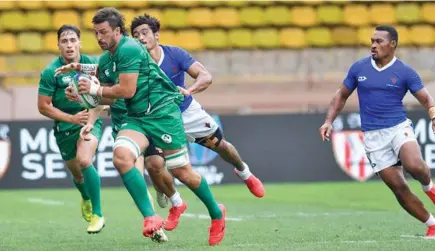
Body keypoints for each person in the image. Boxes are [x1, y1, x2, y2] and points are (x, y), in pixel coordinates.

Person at [57, 8, 226, 245]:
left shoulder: (129, 48)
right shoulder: (106, 59)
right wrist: (81, 96)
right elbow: (110, 97)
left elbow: (126, 90)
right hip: (137, 117)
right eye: (96, 33)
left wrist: (94, 90)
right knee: (122, 157)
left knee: (182, 172)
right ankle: (150, 217)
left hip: (163, 114)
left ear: (117, 31)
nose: (99, 38)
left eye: (103, 32)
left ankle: (217, 213)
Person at [128, 14, 265, 228]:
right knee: (154, 164)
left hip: (186, 113)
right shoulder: (134, 63)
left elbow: (205, 76)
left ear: (156, 35)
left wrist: (189, 90)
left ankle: (244, 171)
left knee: (221, 146)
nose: (141, 38)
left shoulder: (174, 54)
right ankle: (175, 202)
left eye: (145, 33)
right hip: (157, 119)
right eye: (136, 35)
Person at [319, 25, 435, 237]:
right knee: (399, 188)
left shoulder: (405, 72)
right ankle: (432, 224)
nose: (373, 45)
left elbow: (426, 99)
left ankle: (429, 187)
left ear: (392, 44)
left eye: (379, 41)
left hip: (398, 127)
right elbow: (341, 95)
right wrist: (328, 121)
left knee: (414, 165)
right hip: (372, 136)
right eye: (372, 41)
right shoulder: (359, 68)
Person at [37, 25, 104, 234]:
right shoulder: (50, 72)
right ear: (58, 45)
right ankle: (85, 197)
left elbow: (106, 89)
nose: (69, 45)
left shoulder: (92, 64)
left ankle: (98, 214)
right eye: (64, 41)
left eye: (73, 40)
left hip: (89, 118)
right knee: (78, 174)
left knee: (85, 160)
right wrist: (70, 118)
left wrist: (89, 117)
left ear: (79, 43)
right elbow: (43, 106)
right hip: (65, 125)